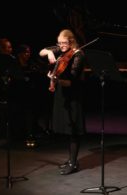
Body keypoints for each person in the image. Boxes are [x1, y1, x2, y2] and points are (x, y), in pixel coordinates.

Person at [39, 29, 86, 175]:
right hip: (62, 94)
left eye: (64, 43)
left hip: (73, 94)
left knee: (73, 130)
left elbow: (71, 81)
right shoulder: (61, 50)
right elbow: (41, 52)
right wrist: (50, 53)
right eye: (59, 43)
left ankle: (73, 162)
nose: (61, 46)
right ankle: (71, 159)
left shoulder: (78, 55)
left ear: (71, 41)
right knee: (67, 128)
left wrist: (55, 79)